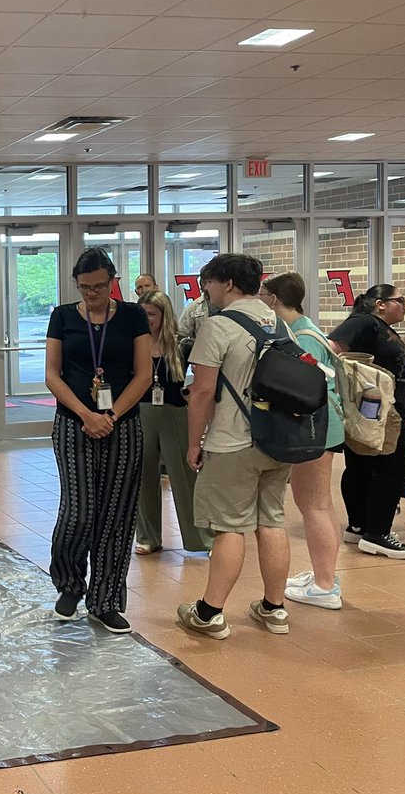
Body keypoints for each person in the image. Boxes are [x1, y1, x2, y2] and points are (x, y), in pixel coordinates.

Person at [177, 254, 293, 640]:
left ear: (226, 283)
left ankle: (209, 613)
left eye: (207, 283)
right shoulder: (277, 322)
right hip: (277, 439)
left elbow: (203, 392)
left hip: (232, 442)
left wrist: (194, 443)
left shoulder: (218, 326)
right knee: (271, 522)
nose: (205, 291)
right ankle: (274, 609)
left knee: (228, 528)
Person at [45, 248, 151, 634]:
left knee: (117, 516)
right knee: (79, 511)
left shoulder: (134, 316)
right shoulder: (62, 317)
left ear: (112, 282)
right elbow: (53, 375)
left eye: (100, 287)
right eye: (85, 287)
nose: (93, 294)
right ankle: (70, 585)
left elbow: (143, 375)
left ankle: (105, 600)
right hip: (74, 424)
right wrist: (87, 414)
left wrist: (111, 415)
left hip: (122, 424)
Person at [256, 273, 346, 608]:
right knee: (322, 504)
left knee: (314, 506)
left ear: (275, 299)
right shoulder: (303, 327)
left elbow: (303, 390)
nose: (260, 298)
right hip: (325, 428)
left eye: (264, 293)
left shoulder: (302, 338)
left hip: (317, 430)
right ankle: (327, 575)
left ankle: (325, 586)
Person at [328, 284, 405, 560]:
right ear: (380, 304)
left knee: (363, 466)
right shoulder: (364, 322)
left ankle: (360, 526)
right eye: (400, 300)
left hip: (379, 411)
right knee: (397, 467)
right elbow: (333, 349)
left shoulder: (379, 327)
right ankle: (377, 533)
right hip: (380, 413)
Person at [133, 290, 212, 555]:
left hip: (174, 414)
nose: (147, 320)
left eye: (152, 315)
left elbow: (204, 378)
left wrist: (192, 393)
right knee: (143, 477)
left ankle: (200, 538)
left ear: (164, 315)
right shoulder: (134, 343)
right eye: (142, 315)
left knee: (184, 476)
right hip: (142, 414)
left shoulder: (183, 345)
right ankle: (148, 537)